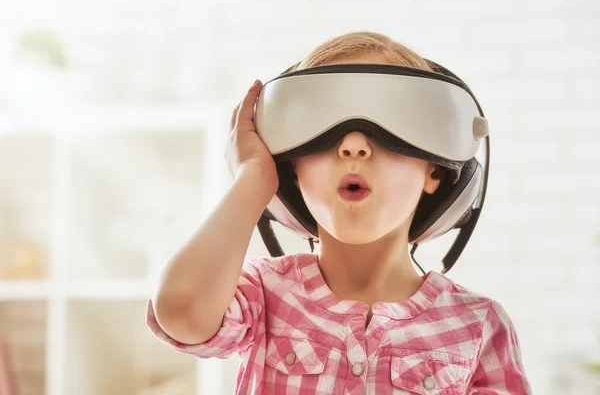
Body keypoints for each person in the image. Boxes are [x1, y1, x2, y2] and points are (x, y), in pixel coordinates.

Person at [146, 31, 531, 394]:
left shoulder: (478, 325)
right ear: (294, 170)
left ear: (435, 168)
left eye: (394, 122)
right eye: (322, 125)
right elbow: (183, 313)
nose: (353, 144)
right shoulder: (260, 294)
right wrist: (252, 180)